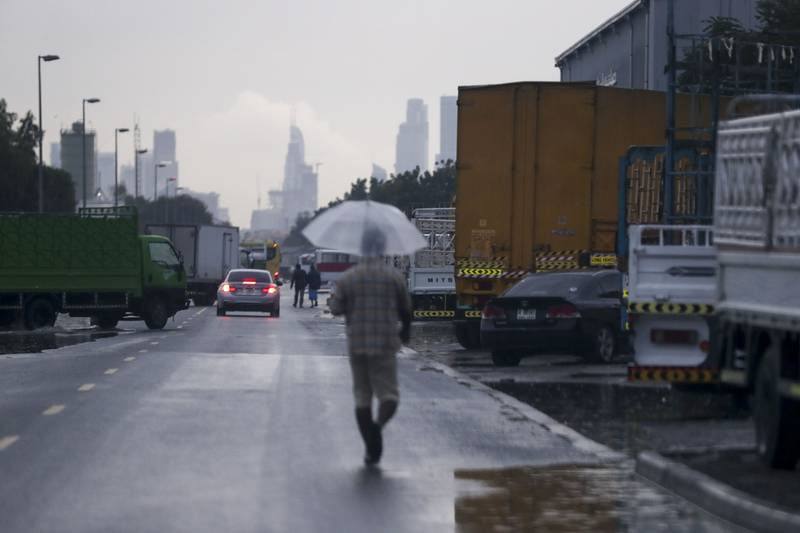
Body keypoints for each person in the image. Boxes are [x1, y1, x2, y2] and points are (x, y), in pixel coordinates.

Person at [329, 227, 412, 465]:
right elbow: (406, 309)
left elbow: (336, 309)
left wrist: (342, 302)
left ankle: (371, 446)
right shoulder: (394, 276)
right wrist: (405, 331)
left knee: (362, 397)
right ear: (383, 248)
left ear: (362, 248)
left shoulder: (349, 278)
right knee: (389, 396)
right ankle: (378, 427)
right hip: (386, 344)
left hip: (357, 344)